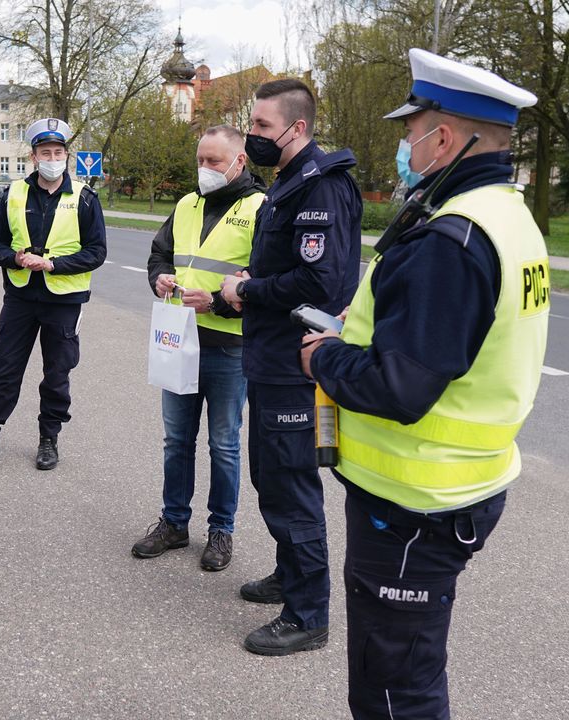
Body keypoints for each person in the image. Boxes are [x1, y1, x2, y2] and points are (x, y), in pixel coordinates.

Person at [301, 49, 547, 718]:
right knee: (402, 674)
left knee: (394, 691)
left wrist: (324, 358)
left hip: (415, 503)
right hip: (457, 488)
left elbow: (400, 388)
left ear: (443, 137)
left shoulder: (452, 239)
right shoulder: (506, 216)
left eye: (410, 130)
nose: (403, 144)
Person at [217, 79, 363, 655]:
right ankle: (289, 575)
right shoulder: (291, 184)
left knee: (290, 486)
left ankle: (307, 614)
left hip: (293, 360)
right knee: (271, 477)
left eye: (259, 126)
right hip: (272, 356)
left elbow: (318, 282)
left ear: (295, 129)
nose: (251, 135)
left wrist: (249, 290)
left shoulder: (320, 189)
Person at [131, 125, 266, 572]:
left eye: (214, 161)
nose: (205, 169)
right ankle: (173, 523)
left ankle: (221, 530)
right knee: (176, 441)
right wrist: (160, 278)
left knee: (224, 443)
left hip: (230, 345)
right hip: (180, 337)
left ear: (239, 162)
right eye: (200, 160)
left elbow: (262, 283)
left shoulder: (260, 208)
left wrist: (221, 305)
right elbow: (159, 254)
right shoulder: (187, 203)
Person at [0, 118, 107, 471]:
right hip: (20, 297)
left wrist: (53, 264)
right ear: (33, 157)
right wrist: (15, 258)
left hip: (63, 301)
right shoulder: (15, 194)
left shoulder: (84, 198)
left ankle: (48, 440)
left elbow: (96, 252)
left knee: (56, 373)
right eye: (45, 152)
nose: (52, 158)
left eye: (58, 152)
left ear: (66, 155)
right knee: (3, 368)